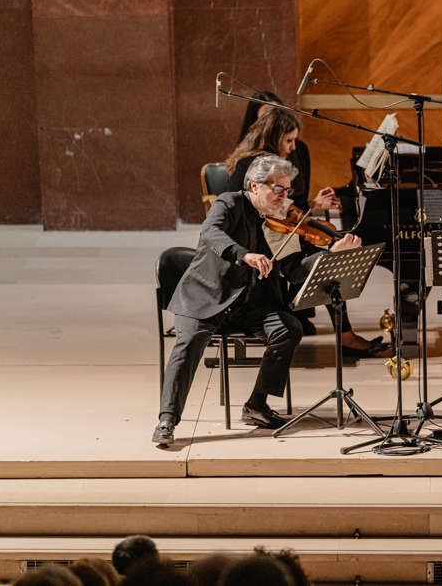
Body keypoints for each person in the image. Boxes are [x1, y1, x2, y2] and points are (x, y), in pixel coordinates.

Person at [153, 155, 362, 445]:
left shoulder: (270, 221)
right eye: (278, 189)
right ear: (254, 186)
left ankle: (257, 405)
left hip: (246, 305)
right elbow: (210, 232)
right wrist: (244, 254)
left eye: (288, 190)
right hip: (205, 298)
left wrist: (330, 254)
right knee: (188, 345)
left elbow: (290, 268)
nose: (285, 197)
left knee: (288, 328)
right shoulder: (229, 202)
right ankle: (167, 419)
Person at [225, 103, 384, 356]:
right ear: (274, 137)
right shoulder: (253, 167)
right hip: (260, 245)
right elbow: (255, 214)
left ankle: (339, 332)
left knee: (328, 259)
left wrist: (312, 206)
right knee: (328, 266)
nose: (293, 147)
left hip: (278, 237)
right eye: (289, 140)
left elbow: (285, 209)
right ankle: (337, 333)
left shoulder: (270, 163)